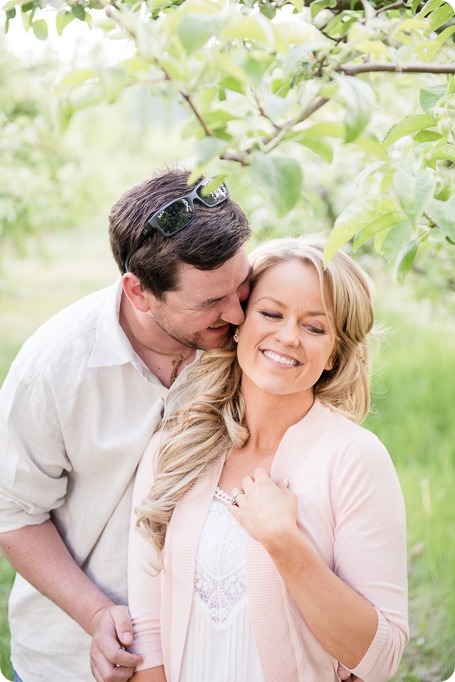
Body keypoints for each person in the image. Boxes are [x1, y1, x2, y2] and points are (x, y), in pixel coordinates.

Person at [0, 168, 252, 682]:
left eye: (241, 285)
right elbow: (13, 513)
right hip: (76, 659)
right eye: (209, 303)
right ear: (139, 292)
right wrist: (96, 614)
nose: (239, 313)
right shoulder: (53, 368)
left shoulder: (253, 337)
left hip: (216, 654)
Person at [125, 235, 409, 682]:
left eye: (315, 327)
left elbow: (378, 660)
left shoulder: (355, 459)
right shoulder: (173, 447)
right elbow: (147, 634)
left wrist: (284, 542)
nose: (288, 337)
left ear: (335, 352)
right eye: (271, 313)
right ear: (239, 320)